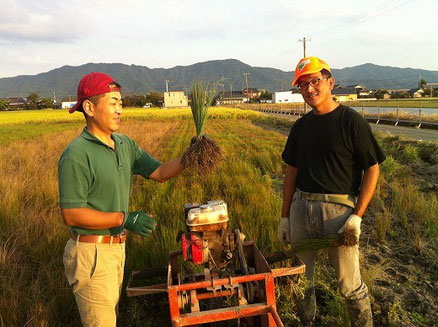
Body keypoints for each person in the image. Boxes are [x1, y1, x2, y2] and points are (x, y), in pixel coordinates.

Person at [58, 72, 188, 327]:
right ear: (89, 107)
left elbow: (160, 172)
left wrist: (189, 157)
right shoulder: (76, 154)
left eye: (121, 103)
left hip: (116, 249)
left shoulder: (124, 144)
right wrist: (124, 218)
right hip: (91, 254)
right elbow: (71, 214)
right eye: (113, 103)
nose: (121, 110)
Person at [277, 57, 385, 327]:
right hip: (301, 208)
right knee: (301, 277)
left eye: (315, 81)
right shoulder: (300, 127)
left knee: (349, 284)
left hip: (337, 213)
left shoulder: (351, 122)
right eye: (303, 84)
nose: (309, 89)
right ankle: (307, 321)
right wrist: (285, 216)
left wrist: (357, 215)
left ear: (330, 82)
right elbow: (291, 172)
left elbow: (372, 169)